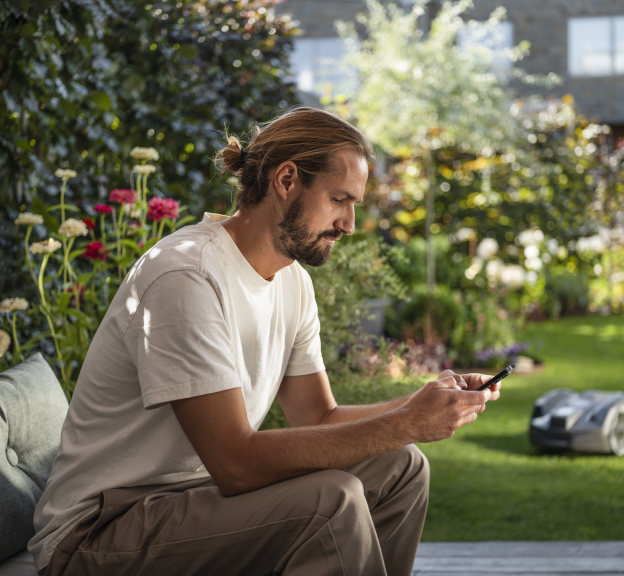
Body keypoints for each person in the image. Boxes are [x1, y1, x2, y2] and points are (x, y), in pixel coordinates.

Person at [29, 107, 501, 576]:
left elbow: (318, 417)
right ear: (287, 179)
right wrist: (405, 423)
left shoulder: (291, 282)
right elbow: (236, 464)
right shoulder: (187, 275)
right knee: (330, 502)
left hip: (191, 504)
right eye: (339, 199)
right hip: (99, 534)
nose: (350, 224)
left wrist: (419, 406)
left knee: (400, 468)